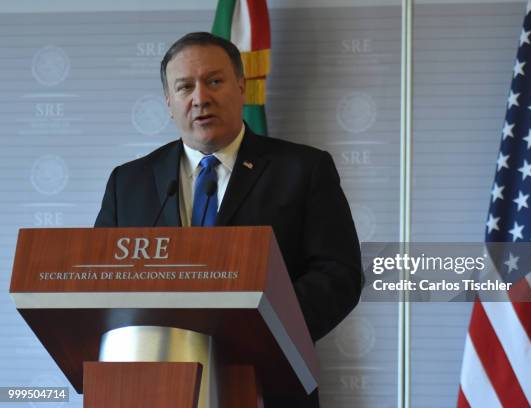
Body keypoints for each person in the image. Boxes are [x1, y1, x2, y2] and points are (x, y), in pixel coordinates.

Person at [95, 32, 363, 407]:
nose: (200, 97)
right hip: (151, 384)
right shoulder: (129, 182)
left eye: (215, 81)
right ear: (169, 102)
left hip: (269, 384)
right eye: (185, 86)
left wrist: (263, 328)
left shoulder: (302, 169)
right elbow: (100, 281)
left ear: (241, 87)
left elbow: (339, 273)